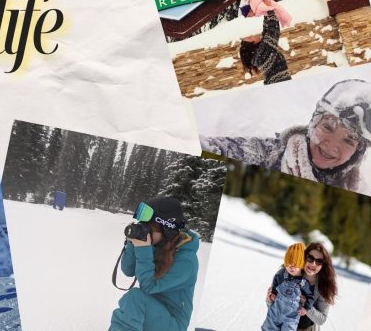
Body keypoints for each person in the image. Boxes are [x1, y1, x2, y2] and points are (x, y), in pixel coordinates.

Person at [201, 79, 371, 196]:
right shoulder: (268, 154)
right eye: (327, 126)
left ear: (357, 153)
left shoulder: (358, 188)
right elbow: (213, 148)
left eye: (348, 140)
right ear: (314, 124)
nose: (331, 145)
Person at [109, 197, 199, 331]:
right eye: (143, 225)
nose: (145, 231)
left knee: (135, 298)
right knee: (134, 301)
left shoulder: (187, 260)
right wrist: (132, 243)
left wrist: (143, 248)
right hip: (151, 309)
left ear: (167, 229)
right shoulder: (159, 244)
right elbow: (128, 270)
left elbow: (148, 286)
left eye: (149, 227)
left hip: (173, 323)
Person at [268, 243, 337, 331]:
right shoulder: (287, 273)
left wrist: (307, 306)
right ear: (303, 257)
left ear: (322, 265)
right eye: (310, 258)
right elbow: (274, 306)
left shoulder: (323, 286)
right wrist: (270, 300)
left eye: (319, 261)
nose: (313, 263)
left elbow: (321, 320)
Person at [238, 0, 293, 85]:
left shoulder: (260, 53)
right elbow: (273, 31)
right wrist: (269, 10)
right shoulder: (263, 52)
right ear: (252, 44)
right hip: (280, 85)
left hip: (277, 84)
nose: (252, 35)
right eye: (250, 38)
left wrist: (265, 12)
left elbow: (266, 31)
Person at [262, 243, 314, 331]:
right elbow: (274, 285)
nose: (290, 267)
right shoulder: (281, 274)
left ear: (301, 264)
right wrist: (273, 294)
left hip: (291, 317)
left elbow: (310, 297)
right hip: (275, 312)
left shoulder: (304, 282)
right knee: (268, 329)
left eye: (294, 265)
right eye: (288, 264)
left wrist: (306, 308)